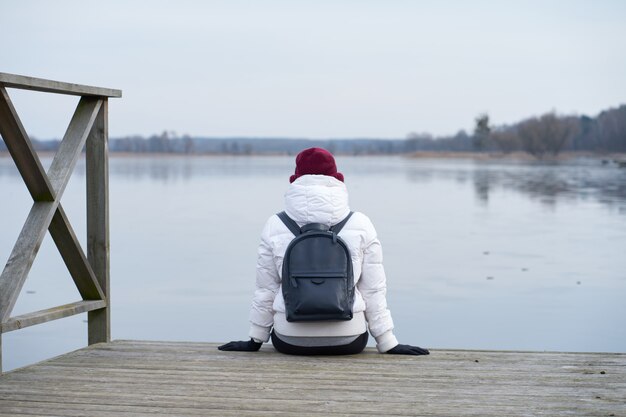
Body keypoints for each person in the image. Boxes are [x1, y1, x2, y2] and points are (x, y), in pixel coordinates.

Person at [218, 147, 429, 356]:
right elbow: (373, 291)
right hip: (349, 340)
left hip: (290, 340)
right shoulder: (361, 223)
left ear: (295, 179)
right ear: (338, 179)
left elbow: (266, 289)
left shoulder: (274, 224)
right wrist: (387, 341)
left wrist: (255, 338)